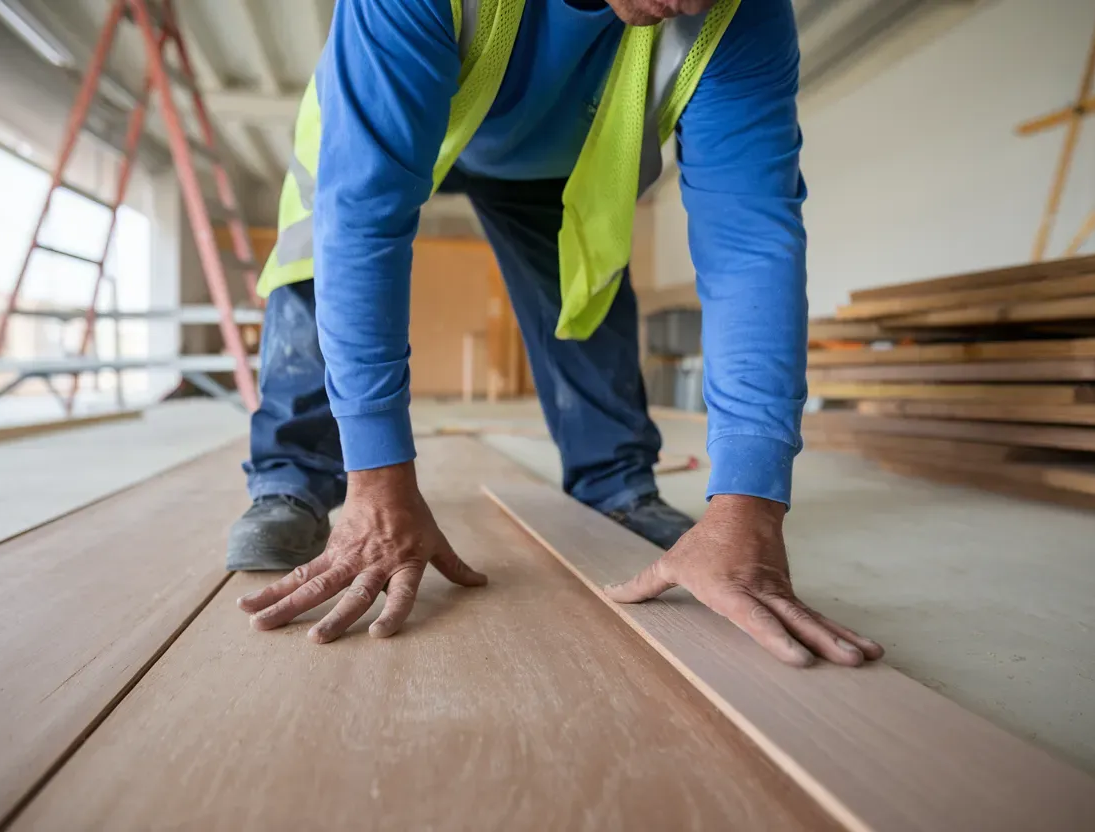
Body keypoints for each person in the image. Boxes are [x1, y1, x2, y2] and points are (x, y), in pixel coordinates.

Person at [230, 0, 884, 668]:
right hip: (392, 107)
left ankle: (616, 484)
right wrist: (379, 482)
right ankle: (295, 474)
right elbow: (362, 218)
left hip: (552, 154)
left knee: (581, 290)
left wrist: (750, 506)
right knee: (321, 259)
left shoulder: (741, 14)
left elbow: (750, 244)